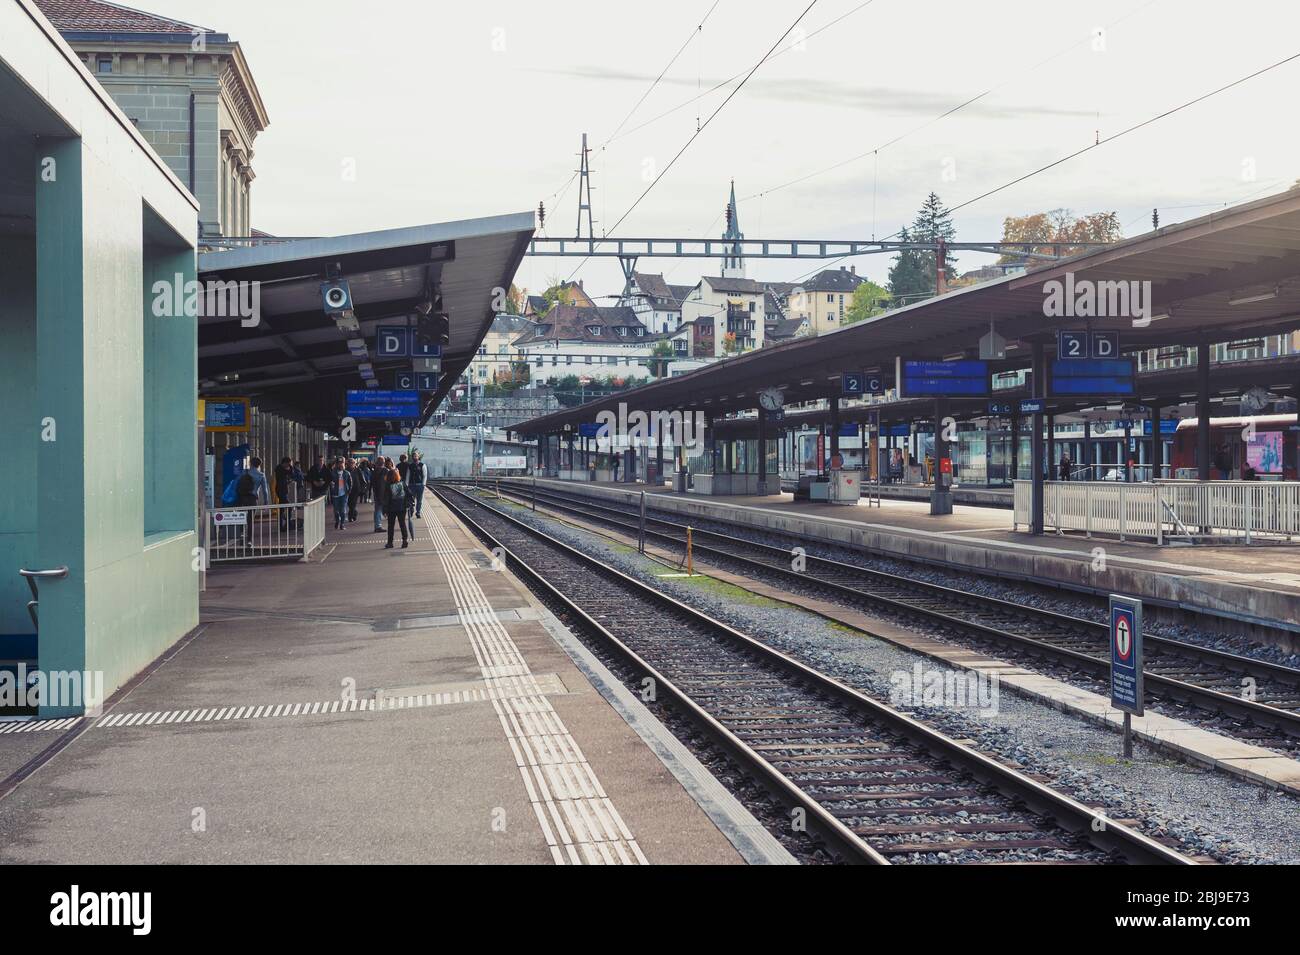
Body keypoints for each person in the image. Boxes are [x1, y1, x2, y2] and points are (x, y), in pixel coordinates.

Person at [384, 464, 409, 549]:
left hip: (391, 509)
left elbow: (386, 499)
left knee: (391, 526)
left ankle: (390, 543)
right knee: (402, 524)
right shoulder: (402, 484)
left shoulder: (388, 486)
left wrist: (385, 510)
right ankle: (405, 541)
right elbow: (409, 493)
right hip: (402, 508)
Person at [329, 457, 352, 530]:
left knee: (342, 510)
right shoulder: (333, 472)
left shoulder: (346, 473)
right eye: (339, 463)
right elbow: (330, 481)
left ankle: (342, 524)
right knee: (336, 510)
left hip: (344, 494)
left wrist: (349, 491)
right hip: (335, 494)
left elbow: (350, 482)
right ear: (337, 464)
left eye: (342, 463)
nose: (341, 465)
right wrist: (331, 485)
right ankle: (337, 520)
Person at [274, 456, 296, 531]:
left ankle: (282, 526)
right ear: (285, 463)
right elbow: (288, 472)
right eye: (288, 464)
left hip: (284, 490)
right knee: (289, 507)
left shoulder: (283, 469)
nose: (288, 466)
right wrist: (291, 466)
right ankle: (288, 523)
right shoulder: (279, 468)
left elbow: (292, 474)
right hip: (281, 490)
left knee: (282, 509)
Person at [407, 450, 426, 520]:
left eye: (416, 456)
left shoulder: (422, 465)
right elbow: (408, 475)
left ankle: (418, 512)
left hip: (420, 485)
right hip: (411, 485)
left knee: (419, 500)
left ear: (418, 457)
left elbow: (425, 475)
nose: (415, 457)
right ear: (412, 457)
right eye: (414, 456)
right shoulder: (410, 466)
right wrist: (407, 484)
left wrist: (423, 484)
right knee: (411, 500)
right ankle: (411, 511)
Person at [373, 457, 389, 532]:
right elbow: (387, 482)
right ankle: (378, 526)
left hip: (376, 493)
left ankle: (377, 526)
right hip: (384, 493)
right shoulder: (386, 471)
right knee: (380, 509)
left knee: (377, 510)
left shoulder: (374, 471)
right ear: (384, 462)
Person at [346, 458, 363, 523]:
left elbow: (362, 479)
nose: (351, 464)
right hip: (348, 489)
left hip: (356, 489)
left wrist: (362, 488)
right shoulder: (346, 470)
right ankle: (354, 512)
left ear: (354, 464)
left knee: (353, 503)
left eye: (352, 463)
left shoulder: (358, 470)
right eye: (350, 463)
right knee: (349, 504)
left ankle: (350, 517)